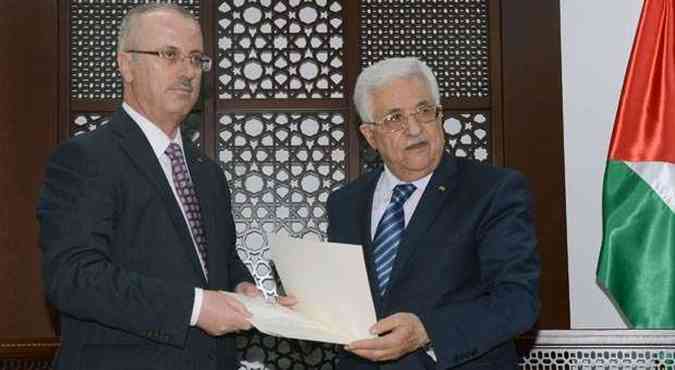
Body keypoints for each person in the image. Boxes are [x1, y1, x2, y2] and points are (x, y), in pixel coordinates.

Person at [37, 5, 292, 370]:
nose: (187, 71)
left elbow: (219, 264)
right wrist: (195, 306)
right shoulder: (84, 159)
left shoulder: (208, 174)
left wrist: (242, 291)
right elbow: (73, 277)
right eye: (169, 55)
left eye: (195, 59)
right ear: (126, 65)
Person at [327, 57, 540, 370]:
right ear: (370, 136)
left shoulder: (493, 191)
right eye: (394, 118)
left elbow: (518, 301)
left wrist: (427, 331)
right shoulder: (344, 203)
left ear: (440, 116)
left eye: (424, 111)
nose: (414, 129)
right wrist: (305, 310)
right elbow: (345, 299)